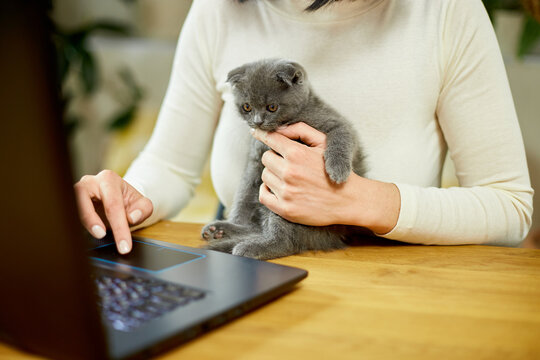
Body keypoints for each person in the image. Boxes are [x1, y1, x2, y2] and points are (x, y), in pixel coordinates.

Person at [74, 0, 534, 255]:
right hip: (250, 286)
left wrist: (359, 199)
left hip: (393, 297)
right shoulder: (219, 10)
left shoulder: (446, 12)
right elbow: (170, 166)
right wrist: (129, 198)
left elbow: (510, 207)